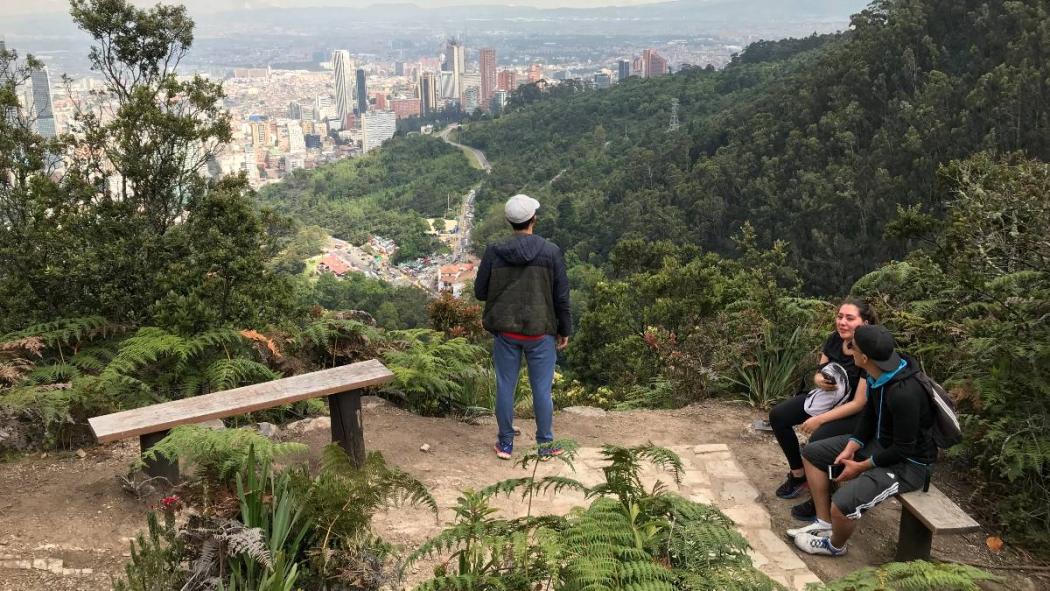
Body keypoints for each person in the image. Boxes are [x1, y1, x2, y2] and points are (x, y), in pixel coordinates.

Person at [788, 324, 936, 556]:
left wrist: (860, 466)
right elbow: (869, 414)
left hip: (908, 465)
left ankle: (835, 545)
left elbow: (903, 448)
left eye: (852, 347)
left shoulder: (904, 393)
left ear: (864, 357)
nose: (848, 349)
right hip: (879, 444)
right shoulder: (878, 370)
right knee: (812, 453)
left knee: (842, 504)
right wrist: (852, 445)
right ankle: (825, 523)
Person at [474, 194, 571, 460]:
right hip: (540, 332)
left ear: (509, 221)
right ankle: (544, 445)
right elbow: (561, 297)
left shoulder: (495, 251)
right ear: (534, 220)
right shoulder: (550, 252)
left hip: (506, 332)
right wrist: (565, 330)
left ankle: (505, 443)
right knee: (541, 389)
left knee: (506, 385)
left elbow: (481, 292)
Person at [769, 299, 877, 521]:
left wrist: (820, 419)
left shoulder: (870, 350)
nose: (842, 322)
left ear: (864, 322)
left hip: (854, 413)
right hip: (827, 398)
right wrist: (818, 379)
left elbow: (859, 403)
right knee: (778, 416)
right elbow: (820, 369)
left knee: (818, 439)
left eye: (850, 318)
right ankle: (799, 475)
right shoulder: (835, 339)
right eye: (840, 316)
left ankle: (824, 496)